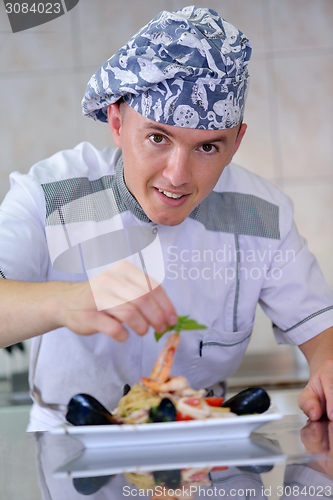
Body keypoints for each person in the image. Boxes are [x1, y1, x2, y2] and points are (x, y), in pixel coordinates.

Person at [0, 6, 332, 431]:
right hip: (76, 453)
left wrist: (328, 366)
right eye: (158, 138)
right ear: (117, 122)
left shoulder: (262, 213)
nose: (177, 176)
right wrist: (65, 301)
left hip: (206, 452)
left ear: (235, 144)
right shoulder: (50, 194)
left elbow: (322, 330)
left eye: (208, 148)